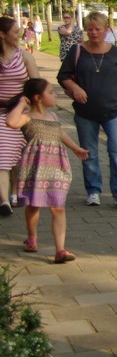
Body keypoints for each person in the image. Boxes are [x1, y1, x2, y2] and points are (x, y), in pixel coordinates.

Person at [56, 11, 117, 209]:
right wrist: (75, 88)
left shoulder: (115, 53)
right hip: (85, 112)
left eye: (98, 29)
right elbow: (63, 76)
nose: (94, 33)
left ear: (106, 30)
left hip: (113, 111)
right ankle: (93, 191)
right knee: (89, 152)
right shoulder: (77, 51)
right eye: (90, 29)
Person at [5, 78, 88, 263]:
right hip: (35, 167)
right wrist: (21, 104)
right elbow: (11, 122)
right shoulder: (27, 117)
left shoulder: (54, 117)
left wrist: (75, 148)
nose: (54, 95)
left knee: (58, 207)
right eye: (50, 92)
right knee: (34, 205)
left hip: (57, 166)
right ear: (37, 98)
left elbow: (60, 133)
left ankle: (60, 250)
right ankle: (32, 238)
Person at [0, 16, 41, 215]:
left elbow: (36, 84)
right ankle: (4, 200)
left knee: (18, 155)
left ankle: (14, 191)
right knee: (3, 154)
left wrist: (38, 109)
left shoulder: (24, 56)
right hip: (0, 112)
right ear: (2, 34)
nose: (20, 35)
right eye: (15, 32)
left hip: (20, 111)